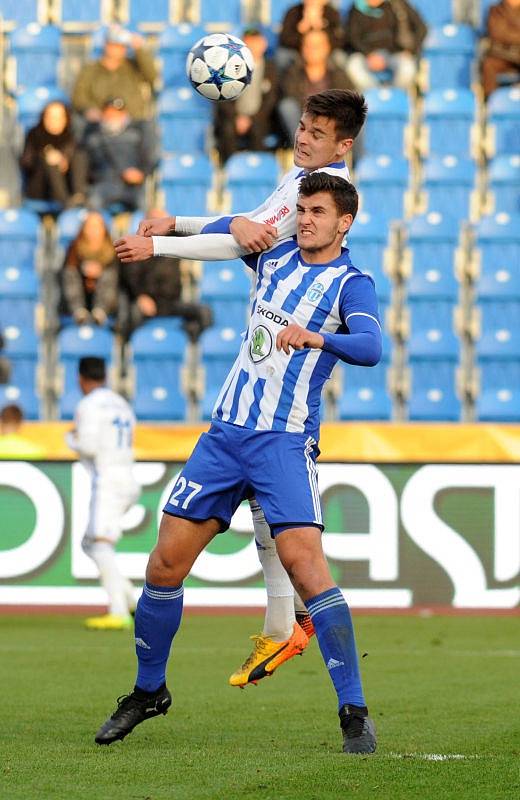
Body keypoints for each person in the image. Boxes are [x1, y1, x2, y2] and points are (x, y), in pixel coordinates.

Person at [96, 172, 381, 754]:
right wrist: (173, 227)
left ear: (344, 222)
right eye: (301, 209)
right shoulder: (274, 259)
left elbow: (372, 349)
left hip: (283, 440)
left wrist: (316, 338)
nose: (305, 219)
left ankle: (353, 709)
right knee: (163, 565)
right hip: (225, 435)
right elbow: (233, 234)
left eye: (318, 212)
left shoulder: (353, 283)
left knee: (307, 567)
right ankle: (149, 691)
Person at [123, 89, 368, 689]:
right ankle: (280, 622)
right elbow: (248, 229)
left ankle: (289, 623)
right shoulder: (301, 179)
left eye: (316, 131)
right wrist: (182, 220)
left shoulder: (322, 190)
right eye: (302, 124)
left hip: (289, 407)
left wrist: (162, 243)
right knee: (262, 513)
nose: (303, 136)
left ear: (344, 145)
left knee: (287, 528)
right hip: (251, 397)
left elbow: (245, 240)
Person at [66, 357, 140, 630]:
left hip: (108, 480)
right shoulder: (121, 403)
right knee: (90, 543)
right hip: (127, 475)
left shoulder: (88, 405)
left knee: (99, 543)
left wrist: (70, 439)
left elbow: (88, 445)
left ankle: (118, 611)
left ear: (80, 378)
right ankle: (130, 600)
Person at [119, 209, 213, 339]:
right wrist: (140, 296)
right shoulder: (136, 245)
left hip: (172, 302)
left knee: (204, 312)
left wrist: (173, 223)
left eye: (163, 221)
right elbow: (129, 276)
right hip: (148, 302)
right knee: (131, 316)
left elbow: (196, 236)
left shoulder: (175, 239)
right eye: (155, 220)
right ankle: (128, 351)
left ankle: (186, 343)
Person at [214, 28, 279, 163]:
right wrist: (237, 117)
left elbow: (271, 99)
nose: (253, 48)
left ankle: (258, 169)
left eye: (256, 43)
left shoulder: (272, 68)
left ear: (264, 44)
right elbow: (222, 97)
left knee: (258, 130)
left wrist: (252, 119)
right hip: (234, 117)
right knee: (227, 130)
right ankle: (229, 169)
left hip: (260, 117)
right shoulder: (228, 68)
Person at [278, 30, 354, 144]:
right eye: (308, 45)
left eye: (317, 45)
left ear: (327, 48)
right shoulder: (292, 73)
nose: (312, 49)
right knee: (287, 106)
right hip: (304, 125)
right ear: (302, 48)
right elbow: (290, 96)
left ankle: (360, 160)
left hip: (332, 127)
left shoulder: (338, 73)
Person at [82, 97, 155, 213]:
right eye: (109, 113)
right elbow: (84, 162)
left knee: (144, 208)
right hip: (103, 184)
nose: (113, 117)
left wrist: (141, 173)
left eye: (117, 113)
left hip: (131, 186)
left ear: (124, 114)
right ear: (103, 114)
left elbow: (150, 157)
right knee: (93, 205)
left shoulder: (137, 133)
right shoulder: (93, 136)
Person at [72, 26, 157, 123]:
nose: (117, 49)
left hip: (132, 124)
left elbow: (152, 76)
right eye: (114, 44)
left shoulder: (134, 67)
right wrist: (89, 110)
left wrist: (139, 49)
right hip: (100, 125)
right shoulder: (90, 69)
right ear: (106, 45)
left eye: (122, 46)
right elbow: (78, 96)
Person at [344, 0, 427, 91]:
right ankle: (374, 96)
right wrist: (368, 54)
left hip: (394, 53)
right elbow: (352, 37)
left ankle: (395, 97)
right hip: (366, 55)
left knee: (407, 67)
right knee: (353, 66)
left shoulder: (398, 5)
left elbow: (421, 28)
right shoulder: (356, 8)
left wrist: (410, 50)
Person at [19, 101, 87, 212]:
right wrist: (44, 154)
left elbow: (73, 163)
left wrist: (64, 160)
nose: (54, 121)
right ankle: (66, 204)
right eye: (50, 117)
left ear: (66, 119)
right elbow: (26, 163)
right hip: (40, 187)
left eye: (59, 117)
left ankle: (79, 196)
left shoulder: (70, 137)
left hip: (66, 184)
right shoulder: (34, 135)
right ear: (43, 117)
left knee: (80, 155)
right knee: (49, 160)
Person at [60, 211, 120, 326]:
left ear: (104, 229)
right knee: (71, 272)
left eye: (97, 227)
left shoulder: (113, 251)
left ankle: (101, 311)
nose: (93, 231)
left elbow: (118, 277)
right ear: (83, 229)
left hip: (106, 299)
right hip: (80, 295)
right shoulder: (73, 249)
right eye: (90, 227)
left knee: (108, 274)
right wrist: (82, 270)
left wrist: (99, 272)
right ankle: (78, 312)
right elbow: (66, 273)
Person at [277, 0, 344, 70]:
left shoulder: (332, 13)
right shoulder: (293, 12)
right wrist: (301, 29)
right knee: (282, 56)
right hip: (298, 51)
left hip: (324, 53)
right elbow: (284, 39)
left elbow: (338, 40)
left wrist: (320, 28)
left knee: (339, 57)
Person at [481, 0, 520, 99]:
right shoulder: (496, 10)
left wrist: (509, 34)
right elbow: (497, 34)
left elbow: (504, 34)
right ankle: (491, 102)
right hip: (502, 54)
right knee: (489, 65)